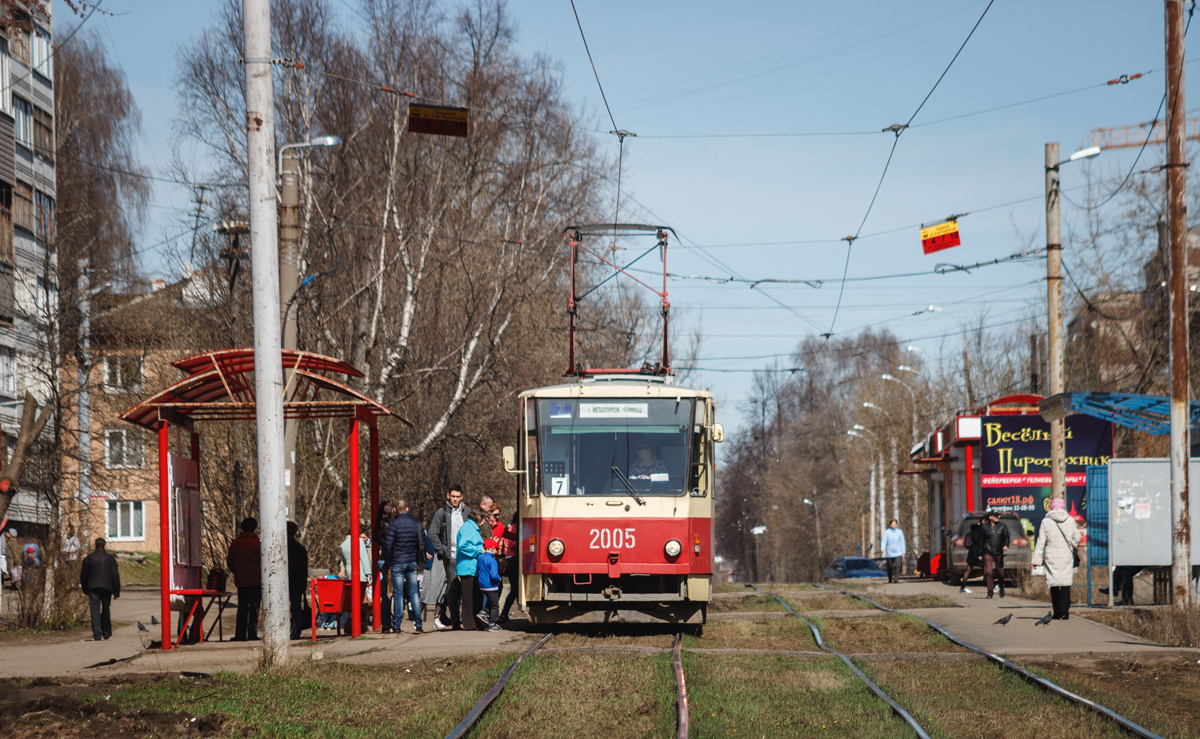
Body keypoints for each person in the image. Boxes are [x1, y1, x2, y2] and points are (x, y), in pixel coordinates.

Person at [428, 486, 471, 629]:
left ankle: (468, 620)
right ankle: (455, 621)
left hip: (466, 557)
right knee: (452, 588)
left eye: (458, 496)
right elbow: (432, 533)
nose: (455, 499)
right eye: (453, 496)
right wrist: (443, 550)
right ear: (448, 496)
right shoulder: (442, 512)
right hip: (450, 556)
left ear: (462, 497)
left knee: (467, 588)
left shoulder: (467, 513)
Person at [1032, 497, 1081, 620]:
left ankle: (1057, 612)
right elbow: (1077, 538)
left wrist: (1036, 560)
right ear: (1064, 507)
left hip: (1051, 555)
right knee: (1065, 583)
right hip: (1066, 555)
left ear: (1051, 507)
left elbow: (1040, 542)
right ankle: (1065, 612)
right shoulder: (1069, 520)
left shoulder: (1045, 522)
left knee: (1054, 584)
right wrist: (1072, 546)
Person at [383, 499, 426, 634]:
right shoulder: (416, 524)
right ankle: (418, 624)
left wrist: (389, 559)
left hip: (397, 562)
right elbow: (422, 542)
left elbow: (388, 545)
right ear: (407, 509)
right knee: (414, 593)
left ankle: (396, 625)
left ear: (395, 510)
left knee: (398, 594)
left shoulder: (393, 525)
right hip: (412, 561)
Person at [226, 517, 261, 641]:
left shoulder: (235, 543)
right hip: (257, 581)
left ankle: (239, 634)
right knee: (254, 608)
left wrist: (238, 571)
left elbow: (230, 562)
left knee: (242, 607)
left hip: (241, 580)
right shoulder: (258, 544)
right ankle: (252, 633)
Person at [79, 538, 120, 641]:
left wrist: (85, 589)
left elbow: (83, 575)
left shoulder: (88, 558)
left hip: (92, 587)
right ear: (105, 546)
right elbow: (115, 575)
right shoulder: (110, 558)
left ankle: (97, 634)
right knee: (106, 609)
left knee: (94, 611)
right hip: (107, 587)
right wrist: (116, 591)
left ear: (94, 546)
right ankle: (106, 632)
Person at [455, 511, 485, 631]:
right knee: (468, 597)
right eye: (483, 520)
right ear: (479, 520)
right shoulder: (469, 528)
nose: (484, 523)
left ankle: (473, 622)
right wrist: (478, 549)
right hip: (467, 567)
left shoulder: (470, 527)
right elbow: (463, 545)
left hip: (470, 567)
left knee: (474, 596)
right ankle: (469, 623)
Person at [339, 524, 372, 629]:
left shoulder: (343, 544)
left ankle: (351, 621)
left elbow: (343, 561)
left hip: (350, 571)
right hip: (359, 570)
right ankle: (361, 623)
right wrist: (368, 573)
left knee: (353, 597)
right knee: (362, 597)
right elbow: (364, 558)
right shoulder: (358, 541)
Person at [373, 501, 398, 632]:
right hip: (394, 559)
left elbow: (375, 538)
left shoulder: (379, 524)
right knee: (396, 593)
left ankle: (386, 624)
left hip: (383, 559)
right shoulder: (394, 523)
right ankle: (396, 623)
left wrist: (385, 545)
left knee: (385, 594)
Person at [978, 509, 1011, 599]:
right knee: (988, 572)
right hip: (987, 552)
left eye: (998, 516)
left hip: (998, 552)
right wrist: (980, 553)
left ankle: (1002, 587)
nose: (997, 517)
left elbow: (1006, 538)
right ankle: (990, 592)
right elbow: (981, 541)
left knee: (1000, 573)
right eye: (995, 516)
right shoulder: (984, 527)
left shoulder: (1002, 526)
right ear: (990, 517)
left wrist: (1005, 545)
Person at [287, 522, 309, 639]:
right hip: (296, 582)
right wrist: (303, 585)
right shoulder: (300, 548)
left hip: (283, 583)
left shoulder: (279, 547)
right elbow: (303, 569)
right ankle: (296, 631)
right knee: (296, 607)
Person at [497, 511, 519, 624]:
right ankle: (504, 614)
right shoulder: (516, 528)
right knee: (515, 589)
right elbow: (512, 544)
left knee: (515, 589)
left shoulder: (511, 527)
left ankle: (504, 613)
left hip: (510, 559)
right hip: (513, 560)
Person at [476, 538, 502, 631]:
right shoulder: (492, 561)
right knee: (495, 605)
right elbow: (494, 575)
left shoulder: (480, 558)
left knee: (490, 601)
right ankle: (492, 623)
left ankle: (483, 612)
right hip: (491, 586)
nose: (496, 551)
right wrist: (499, 579)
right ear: (492, 548)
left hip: (482, 585)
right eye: (496, 549)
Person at [881, 519, 906, 583]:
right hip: (889, 553)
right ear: (890, 525)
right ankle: (890, 578)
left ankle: (896, 579)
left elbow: (902, 542)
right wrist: (882, 548)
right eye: (892, 524)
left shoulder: (899, 532)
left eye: (894, 524)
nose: (893, 525)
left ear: (896, 524)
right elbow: (884, 541)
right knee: (890, 567)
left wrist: (903, 552)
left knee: (898, 566)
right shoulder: (887, 532)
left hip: (898, 552)